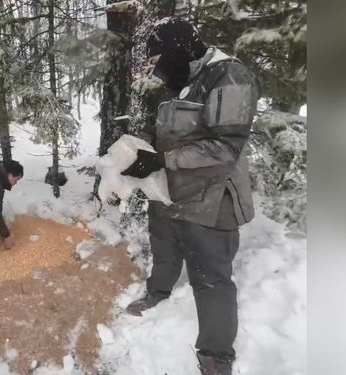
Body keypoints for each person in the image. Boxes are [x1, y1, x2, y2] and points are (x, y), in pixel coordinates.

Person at [120, 18, 260, 375]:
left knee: (210, 277)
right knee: (163, 242)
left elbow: (225, 147)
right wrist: (139, 153)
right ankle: (158, 292)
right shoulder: (186, 79)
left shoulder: (228, 76)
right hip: (171, 190)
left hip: (212, 198)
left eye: (160, 64)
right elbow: (176, 133)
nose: (160, 75)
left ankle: (216, 357)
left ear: (180, 51)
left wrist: (162, 159)